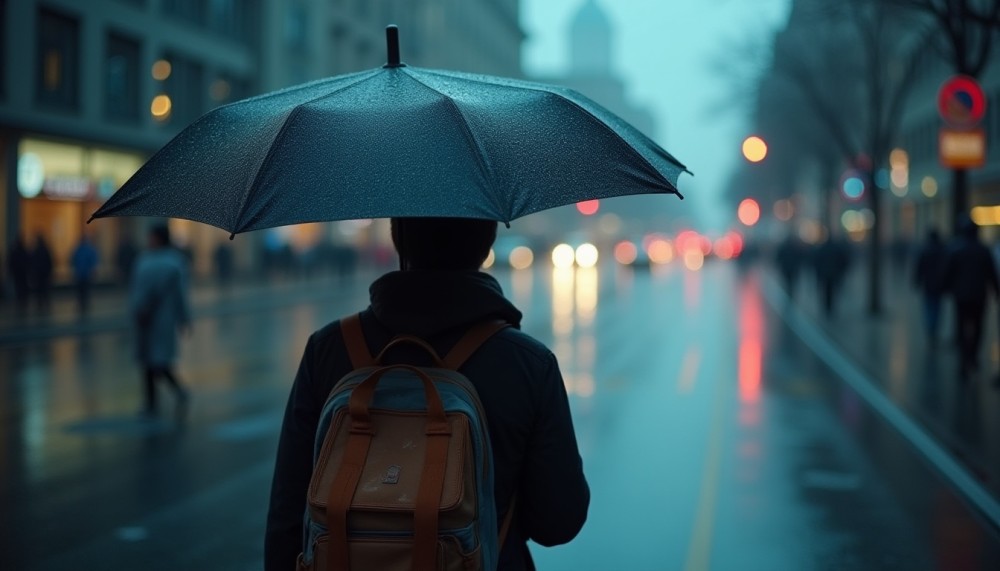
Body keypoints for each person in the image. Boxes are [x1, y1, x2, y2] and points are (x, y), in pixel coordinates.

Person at [265, 217, 590, 571]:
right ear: (488, 239)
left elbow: (288, 514)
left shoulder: (329, 349)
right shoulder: (527, 362)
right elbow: (558, 521)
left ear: (397, 237)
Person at [129, 224, 191, 415]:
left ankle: (178, 391)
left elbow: (180, 295)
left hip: (161, 319)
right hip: (145, 319)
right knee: (148, 362)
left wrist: (183, 318)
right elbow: (135, 290)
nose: (149, 241)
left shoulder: (172, 262)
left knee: (159, 362)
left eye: (152, 237)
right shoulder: (144, 260)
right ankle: (151, 402)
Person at [941, 216, 998, 381]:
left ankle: (963, 361)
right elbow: (992, 274)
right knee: (979, 327)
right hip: (979, 296)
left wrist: (946, 288)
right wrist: (996, 291)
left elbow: (947, 273)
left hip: (961, 296)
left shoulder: (956, 249)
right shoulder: (983, 250)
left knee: (961, 326)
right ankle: (972, 355)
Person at [912, 229, 947, 346]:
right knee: (937, 308)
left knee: (928, 308)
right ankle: (933, 330)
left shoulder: (925, 250)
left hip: (928, 285)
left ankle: (930, 330)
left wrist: (916, 282)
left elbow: (919, 268)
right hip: (939, 285)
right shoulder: (942, 250)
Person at [813, 232, 851, 316]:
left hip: (824, 274)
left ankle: (827, 307)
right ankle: (831, 306)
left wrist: (818, 272)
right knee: (833, 290)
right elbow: (844, 260)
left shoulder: (821, 248)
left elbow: (816, 261)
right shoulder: (837, 248)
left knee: (826, 290)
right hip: (834, 273)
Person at [71, 235, 100, 314]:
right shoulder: (86, 249)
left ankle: (83, 304)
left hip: (81, 273)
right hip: (84, 273)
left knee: (82, 290)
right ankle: (83, 304)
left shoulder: (79, 249)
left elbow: (73, 259)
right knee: (84, 290)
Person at [774, 232, 804, 299]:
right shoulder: (795, 247)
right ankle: (790, 291)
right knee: (792, 280)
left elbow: (779, 257)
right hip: (792, 267)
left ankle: (788, 290)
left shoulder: (784, 247)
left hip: (786, 267)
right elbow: (799, 257)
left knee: (787, 280)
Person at [29, 234, 53, 312]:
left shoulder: (36, 250)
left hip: (40, 274)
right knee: (44, 290)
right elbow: (49, 262)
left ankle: (41, 304)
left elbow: (33, 262)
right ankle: (44, 304)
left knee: (40, 290)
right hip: (43, 274)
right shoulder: (45, 250)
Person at [7, 236, 31, 313]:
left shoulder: (16, 251)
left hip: (19, 273)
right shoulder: (23, 251)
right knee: (22, 287)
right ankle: (22, 301)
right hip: (22, 273)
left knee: (20, 287)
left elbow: (11, 262)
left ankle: (21, 301)